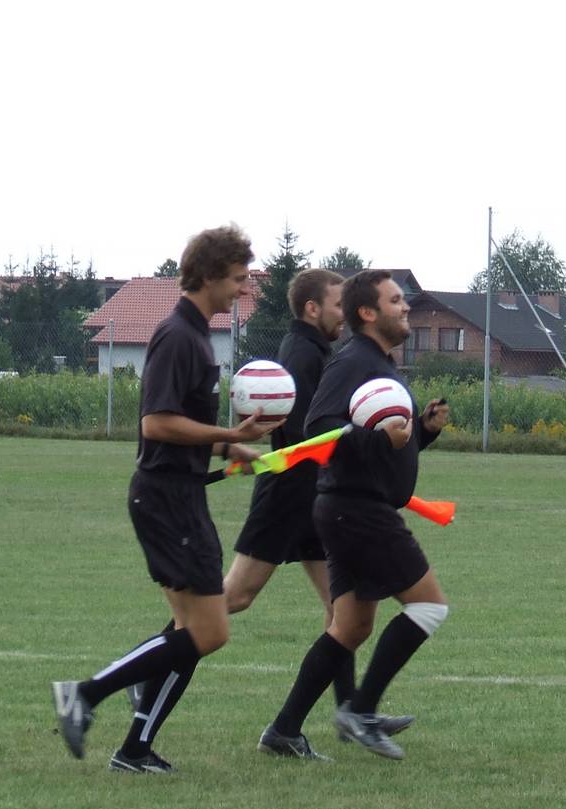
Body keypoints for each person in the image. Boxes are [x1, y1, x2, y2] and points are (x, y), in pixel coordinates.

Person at [51, 225, 280, 774]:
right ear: (209, 276)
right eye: (237, 279)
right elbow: (156, 423)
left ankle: (134, 749)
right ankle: (85, 693)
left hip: (177, 497)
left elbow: (184, 424)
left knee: (187, 633)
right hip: (167, 501)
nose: (243, 289)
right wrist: (229, 434)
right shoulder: (179, 336)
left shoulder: (196, 335)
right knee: (208, 632)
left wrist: (227, 445)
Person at [266, 269, 450, 760]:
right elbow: (318, 428)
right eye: (395, 300)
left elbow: (384, 443)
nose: (405, 307)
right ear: (368, 312)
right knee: (429, 607)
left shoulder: (379, 362)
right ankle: (361, 710)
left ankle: (283, 730)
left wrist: (422, 432)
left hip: (350, 508)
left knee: (349, 628)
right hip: (358, 510)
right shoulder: (352, 361)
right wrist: (377, 438)